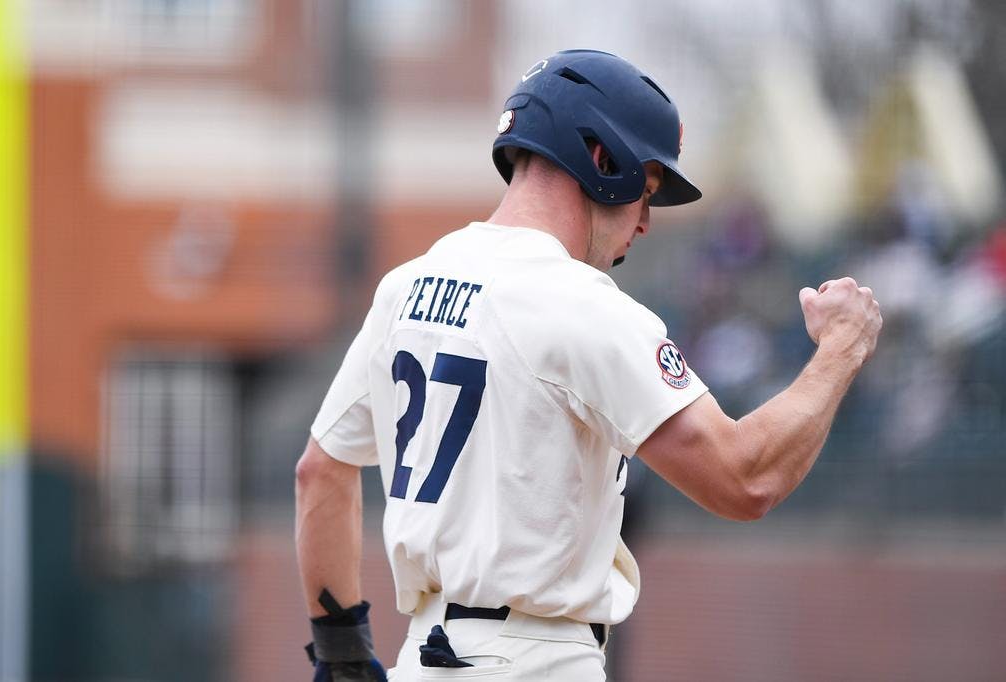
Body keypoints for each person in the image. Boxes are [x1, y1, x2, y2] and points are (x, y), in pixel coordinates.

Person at [295, 49, 882, 682]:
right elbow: (745, 479)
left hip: (422, 657)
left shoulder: (403, 288)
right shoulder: (582, 304)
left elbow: (320, 473)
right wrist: (840, 350)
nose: (646, 224)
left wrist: (342, 651)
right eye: (647, 192)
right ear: (604, 162)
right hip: (537, 662)